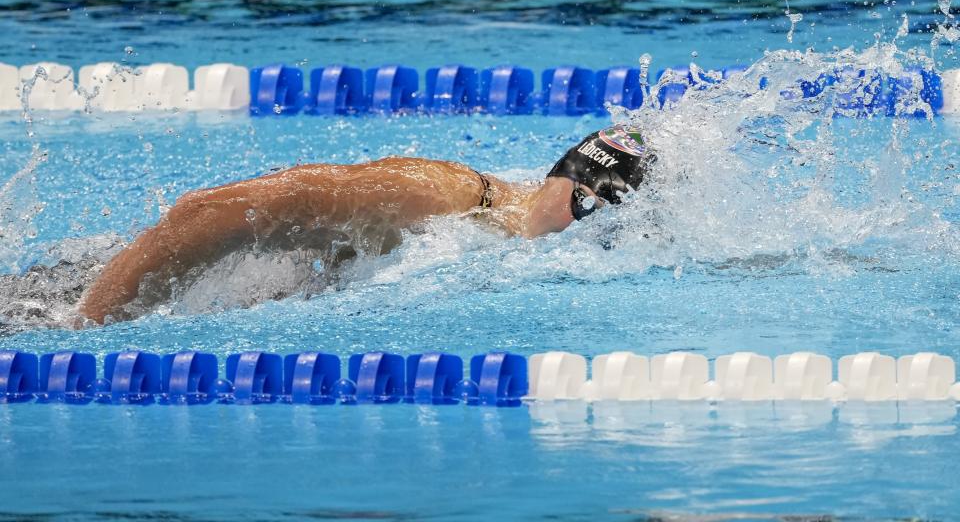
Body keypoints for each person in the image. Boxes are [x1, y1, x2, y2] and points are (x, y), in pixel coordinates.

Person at [79, 124, 653, 324]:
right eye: (582, 207)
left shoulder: (508, 235)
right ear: (561, 179)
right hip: (76, 296)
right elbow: (206, 212)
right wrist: (87, 323)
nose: (580, 228)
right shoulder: (442, 198)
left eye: (602, 223)